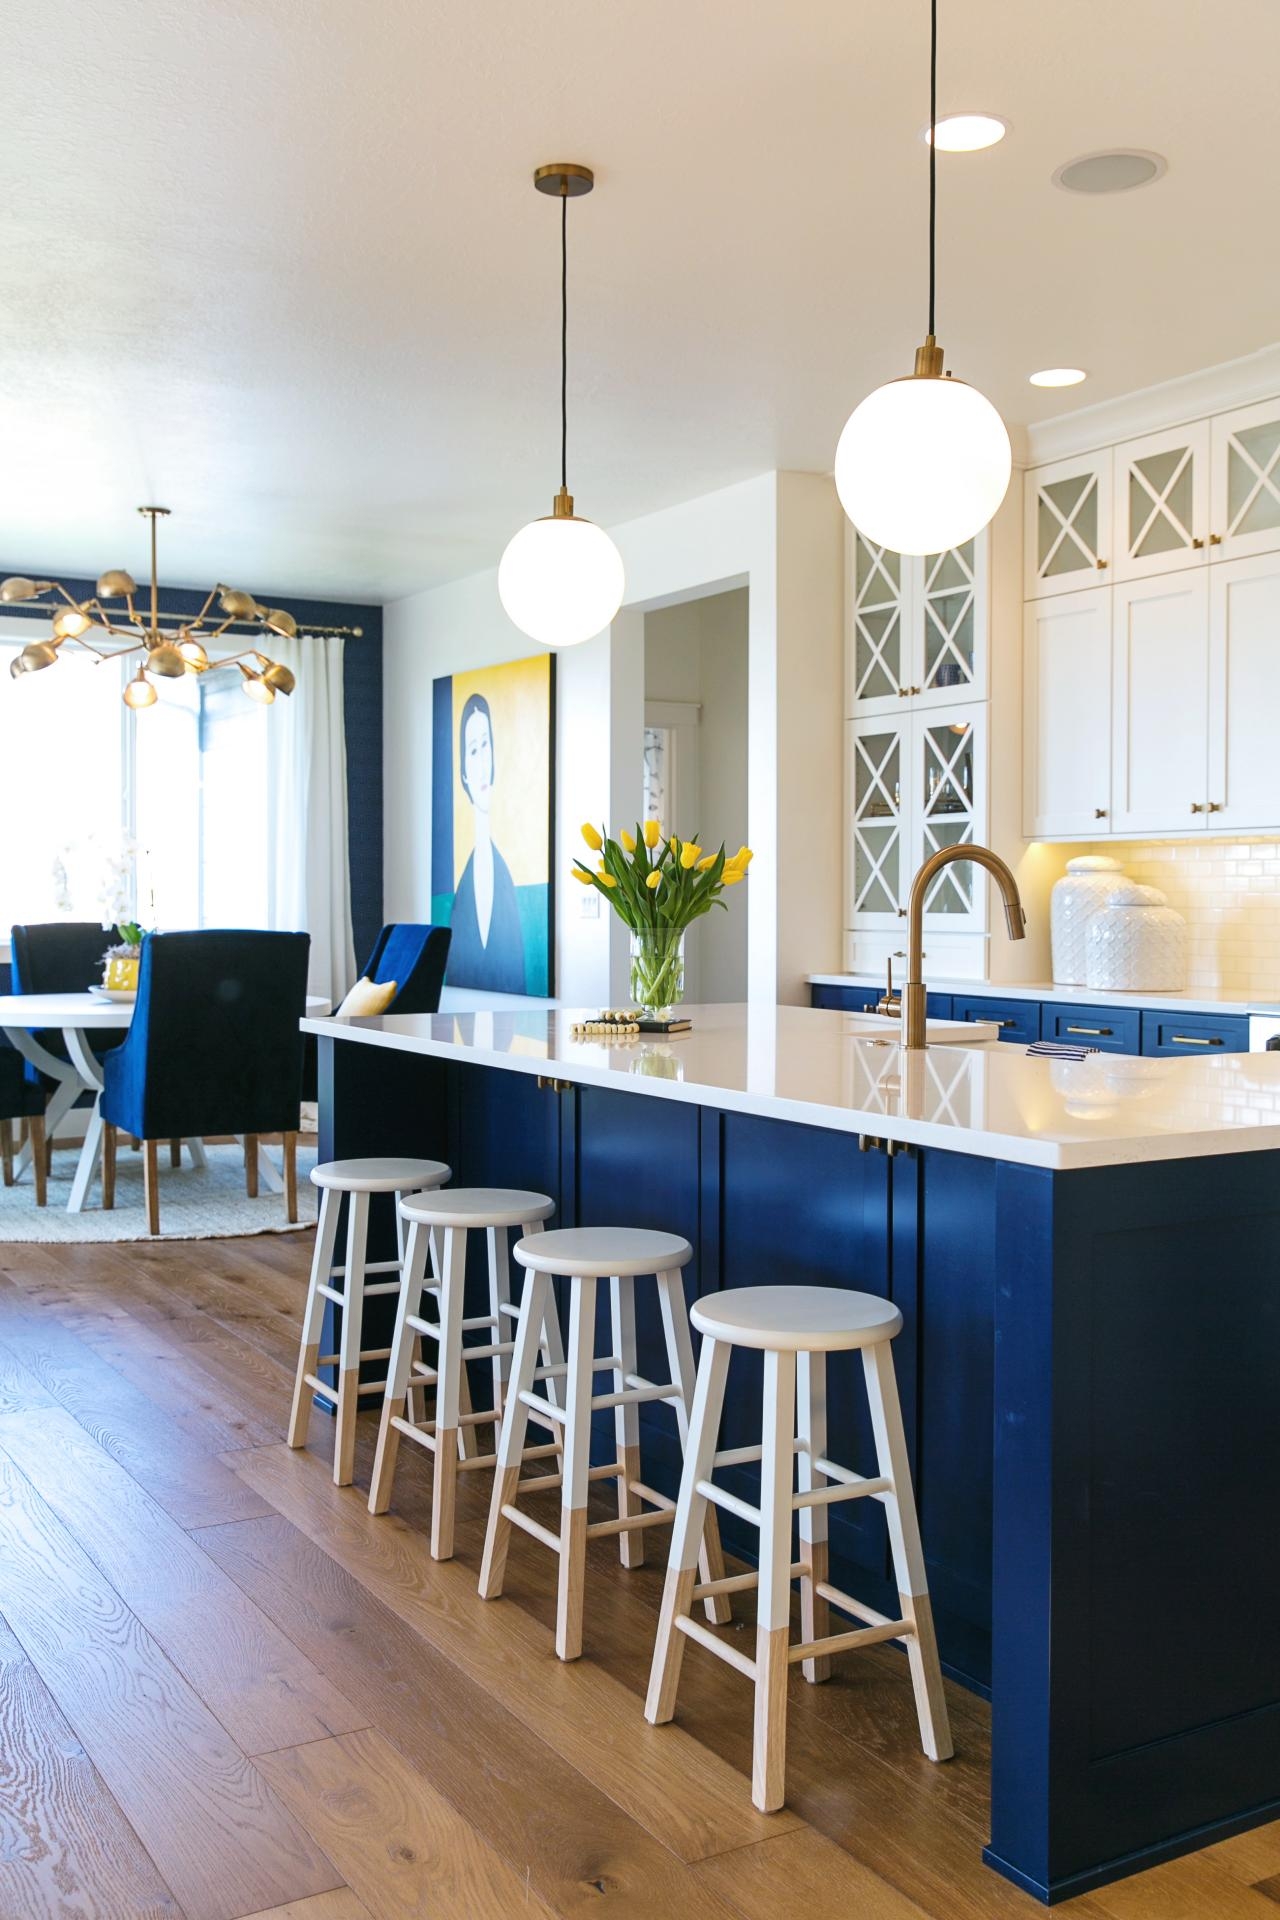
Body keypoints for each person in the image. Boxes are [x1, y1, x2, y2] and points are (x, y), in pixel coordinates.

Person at [446, 692, 527, 993]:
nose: (481, 762)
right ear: (463, 772)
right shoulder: (462, 891)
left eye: (485, 746)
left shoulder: (504, 877)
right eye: (472, 750)